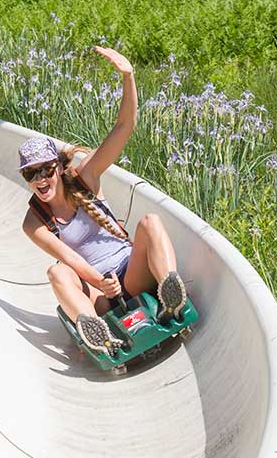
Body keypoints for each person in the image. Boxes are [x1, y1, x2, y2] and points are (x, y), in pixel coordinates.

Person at [19, 46, 186, 358]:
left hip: (130, 270)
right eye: (31, 174)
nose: (40, 179)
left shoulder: (85, 176)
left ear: (57, 166)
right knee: (57, 272)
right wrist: (100, 283)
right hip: (99, 292)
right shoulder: (35, 220)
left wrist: (128, 77)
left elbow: (124, 128)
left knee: (150, 222)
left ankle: (169, 294)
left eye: (45, 169)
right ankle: (98, 332)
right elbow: (69, 259)